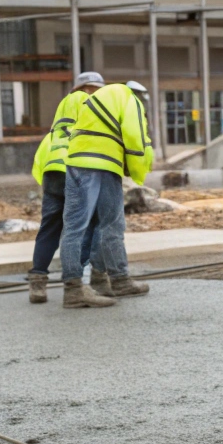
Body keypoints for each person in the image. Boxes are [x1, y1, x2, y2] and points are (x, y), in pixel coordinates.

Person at [59, 79, 154, 308]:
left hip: (83, 162)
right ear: (139, 95)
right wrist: (139, 169)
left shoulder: (105, 95)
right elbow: (135, 136)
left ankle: (106, 281)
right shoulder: (129, 99)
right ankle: (78, 289)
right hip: (100, 164)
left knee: (88, 225)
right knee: (105, 224)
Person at [27, 72, 103, 303]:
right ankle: (75, 282)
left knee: (49, 228)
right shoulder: (87, 104)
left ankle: (37, 284)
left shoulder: (61, 113)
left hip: (52, 170)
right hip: (75, 168)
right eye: (94, 88)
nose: (98, 93)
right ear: (85, 89)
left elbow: (42, 153)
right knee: (82, 227)